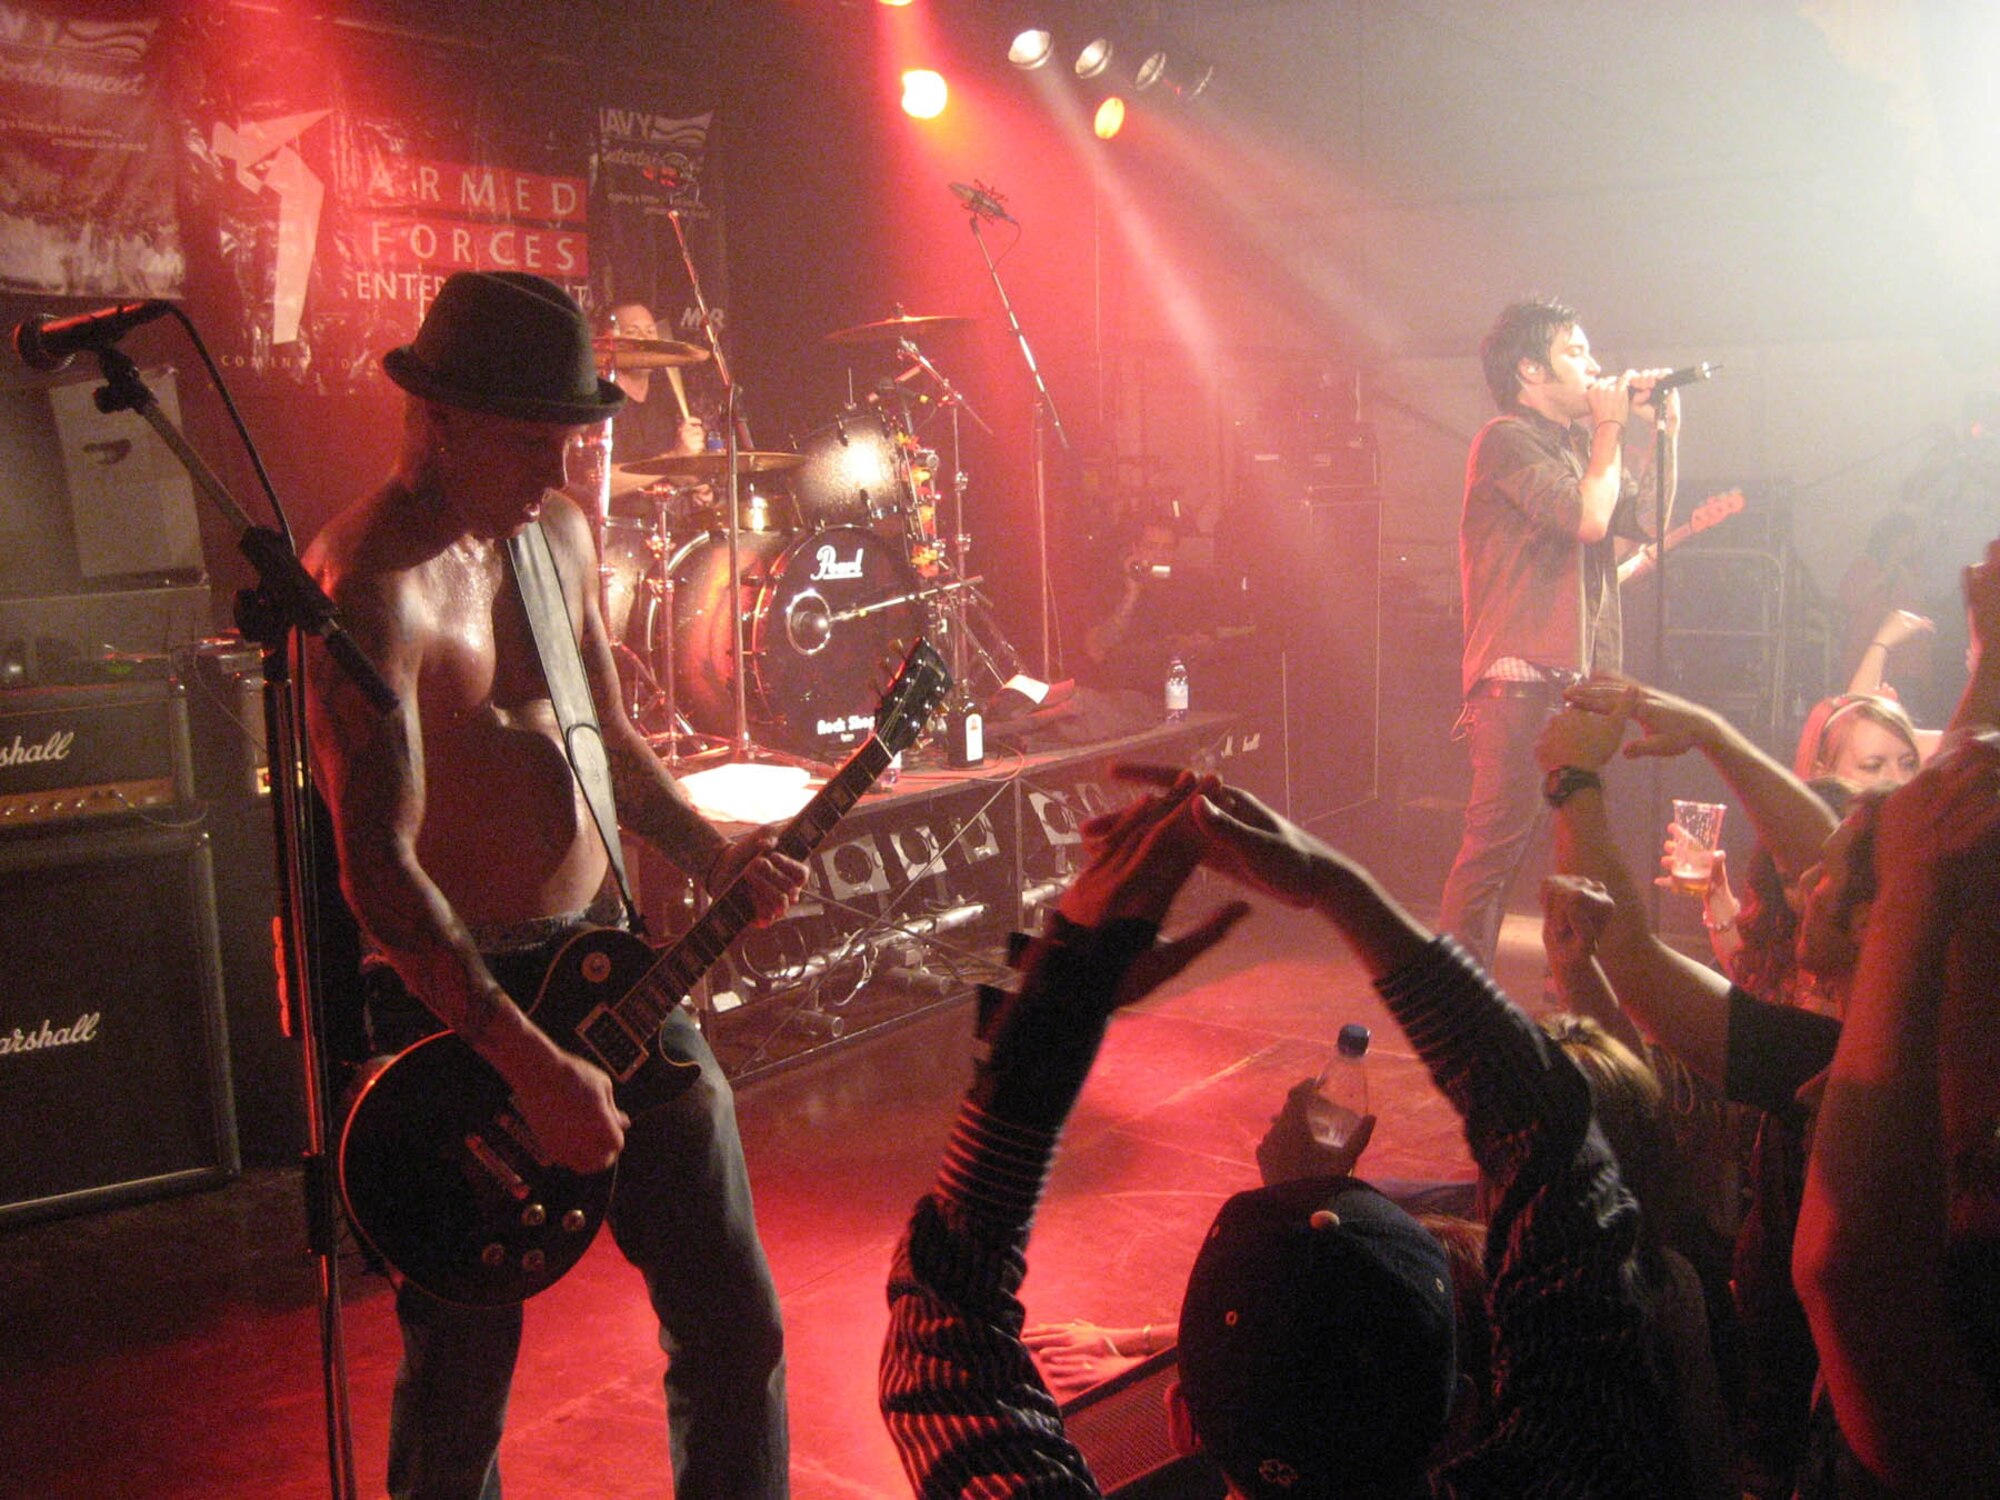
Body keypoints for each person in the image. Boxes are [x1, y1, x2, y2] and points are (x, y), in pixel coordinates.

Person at [303, 270, 807, 1499]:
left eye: (568, 445)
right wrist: (532, 1065)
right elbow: (379, 872)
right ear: (436, 421)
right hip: (462, 1013)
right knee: (461, 1380)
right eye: (530, 444)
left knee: (734, 1329)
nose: (557, 477)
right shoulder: (368, 589)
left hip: (612, 962)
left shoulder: (556, 534)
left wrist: (705, 851)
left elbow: (607, 738)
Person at [880, 766, 1685, 1497]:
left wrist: (1067, 988)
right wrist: (1344, 890)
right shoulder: (1570, 1472)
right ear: (1461, 1412)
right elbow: (1557, 1144)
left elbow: (943, 1322)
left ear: (1182, 1423)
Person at [1436, 297, 1678, 967]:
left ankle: (1572, 1002)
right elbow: (1587, 519)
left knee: (1584, 853)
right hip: (1517, 684)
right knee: (1492, 855)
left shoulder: (1580, 447)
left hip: (1576, 685)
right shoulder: (1504, 439)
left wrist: (1661, 433)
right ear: (1530, 371)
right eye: (1577, 352)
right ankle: (1458, 1006)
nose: (1596, 366)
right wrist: (1609, 428)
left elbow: (1646, 518)